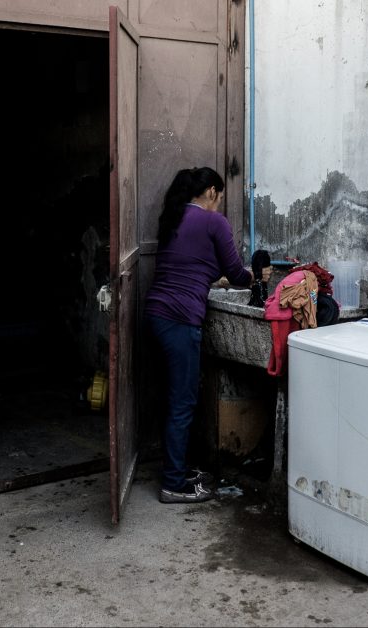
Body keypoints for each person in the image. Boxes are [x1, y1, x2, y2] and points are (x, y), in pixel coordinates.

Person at [145, 166, 252, 503]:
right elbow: (235, 272)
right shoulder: (212, 221)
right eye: (218, 199)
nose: (218, 206)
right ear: (210, 192)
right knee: (183, 402)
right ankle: (173, 485)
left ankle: (176, 468)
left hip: (156, 314)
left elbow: (187, 265)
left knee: (171, 399)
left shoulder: (175, 217)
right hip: (180, 320)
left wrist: (211, 278)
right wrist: (254, 276)